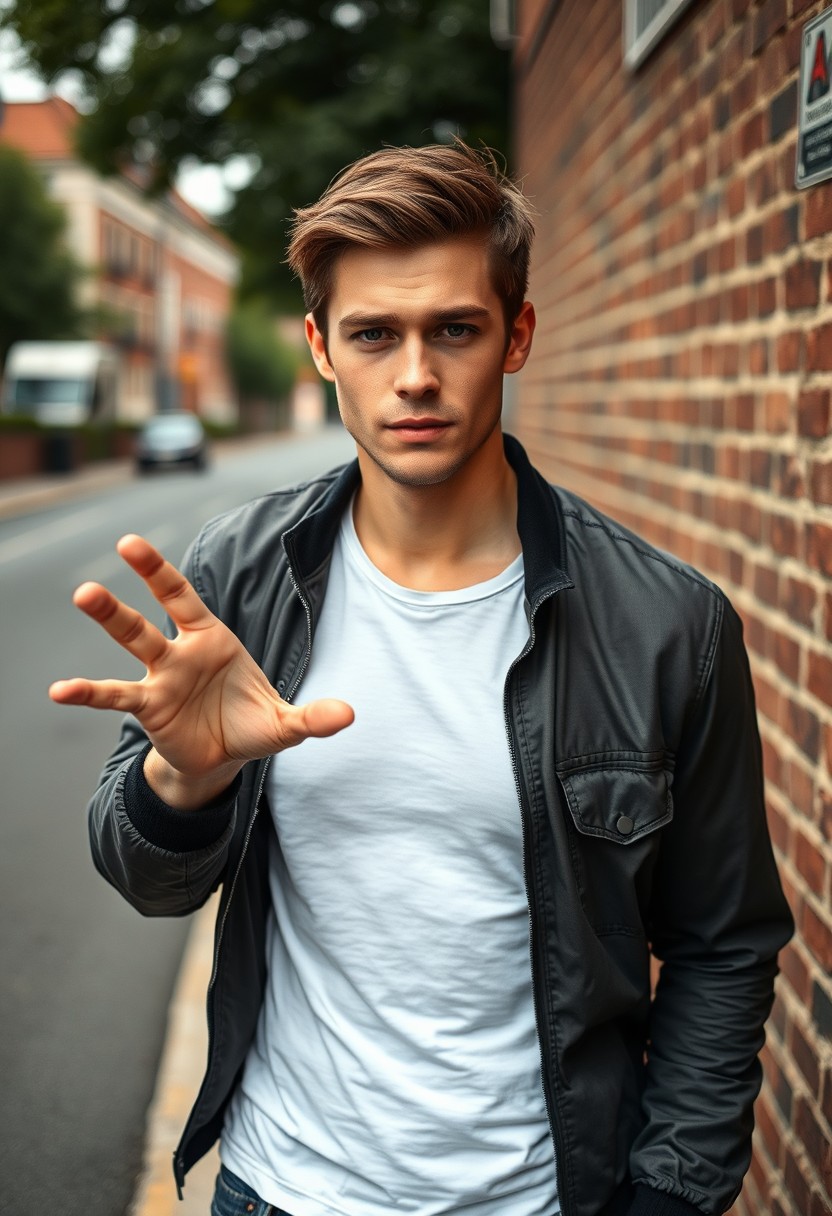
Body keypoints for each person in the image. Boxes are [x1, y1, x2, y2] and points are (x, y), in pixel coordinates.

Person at [50, 143, 792, 1216]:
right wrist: (184, 780)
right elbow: (148, 880)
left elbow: (723, 945)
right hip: (281, 1188)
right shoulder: (236, 580)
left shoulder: (668, 625)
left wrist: (670, 1196)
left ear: (517, 336)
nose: (413, 375)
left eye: (453, 328)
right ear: (318, 348)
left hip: (546, 1197)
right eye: (372, 334)